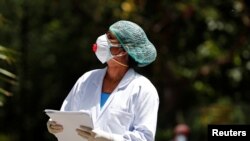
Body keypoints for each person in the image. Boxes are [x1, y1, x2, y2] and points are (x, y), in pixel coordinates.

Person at [46, 20, 159, 141]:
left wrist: (108, 138)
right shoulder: (86, 80)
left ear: (124, 50)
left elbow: (145, 138)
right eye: (106, 34)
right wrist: (55, 124)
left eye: (110, 37)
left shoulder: (143, 89)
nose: (103, 39)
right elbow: (66, 115)